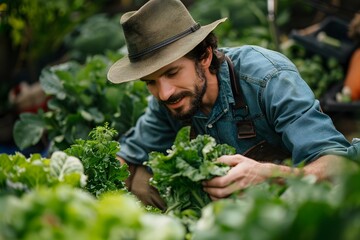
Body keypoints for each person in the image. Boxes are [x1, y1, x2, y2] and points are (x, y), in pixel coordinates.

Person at [107, 0, 359, 209]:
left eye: (172, 73)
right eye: (150, 81)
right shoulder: (169, 100)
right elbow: (129, 155)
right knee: (138, 180)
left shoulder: (268, 79)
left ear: (204, 56)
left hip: (284, 205)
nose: (163, 93)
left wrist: (269, 175)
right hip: (220, 211)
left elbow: (338, 164)